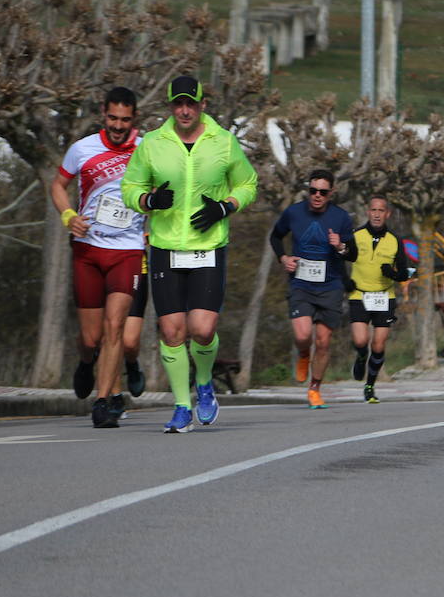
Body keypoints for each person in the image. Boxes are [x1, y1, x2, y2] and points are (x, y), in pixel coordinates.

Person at [121, 76, 257, 434]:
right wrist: (148, 201)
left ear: (202, 105)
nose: (184, 110)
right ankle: (182, 406)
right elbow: (130, 186)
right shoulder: (152, 143)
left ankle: (206, 383)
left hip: (208, 247)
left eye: (191, 104)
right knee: (171, 331)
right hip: (165, 247)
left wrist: (225, 207)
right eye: (178, 104)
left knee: (202, 328)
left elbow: (248, 184)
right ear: (170, 106)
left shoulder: (223, 142)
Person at [51, 86, 145, 427]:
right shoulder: (83, 148)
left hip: (128, 249)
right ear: (102, 114)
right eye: (112, 118)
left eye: (125, 119)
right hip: (88, 250)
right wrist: (68, 217)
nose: (118, 126)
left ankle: (103, 401)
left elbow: (168, 190)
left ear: (134, 118)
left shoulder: (147, 149)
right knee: (91, 338)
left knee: (115, 327)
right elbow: (57, 185)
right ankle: (85, 362)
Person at [270, 171, 356, 410]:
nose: (317, 196)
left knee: (324, 342)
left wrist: (340, 246)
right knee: (302, 335)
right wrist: (283, 258)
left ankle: (315, 387)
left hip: (331, 286)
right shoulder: (294, 212)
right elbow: (276, 237)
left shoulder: (341, 218)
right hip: (301, 283)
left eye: (323, 192)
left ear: (331, 193)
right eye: (313, 191)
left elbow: (354, 253)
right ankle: (303, 354)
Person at [346, 195, 413, 404]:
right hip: (359, 294)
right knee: (360, 341)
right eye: (373, 210)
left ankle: (369, 386)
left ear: (387, 214)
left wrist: (392, 274)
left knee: (378, 344)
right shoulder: (355, 235)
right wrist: (344, 281)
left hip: (384, 297)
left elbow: (405, 272)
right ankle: (359, 357)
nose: (376, 214)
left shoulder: (394, 240)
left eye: (381, 210)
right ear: (368, 212)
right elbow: (340, 257)